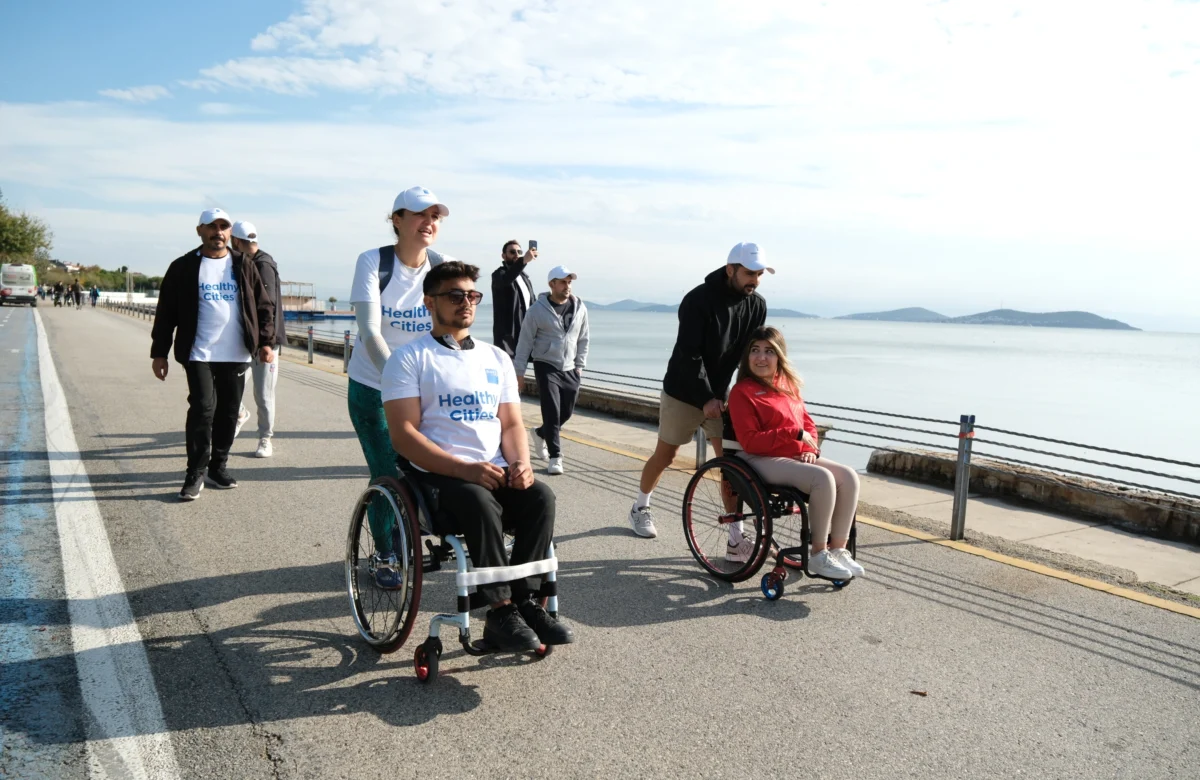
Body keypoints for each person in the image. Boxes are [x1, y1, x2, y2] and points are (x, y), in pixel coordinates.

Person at [383, 260, 574, 651]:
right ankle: (500, 609)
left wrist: (521, 463)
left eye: (472, 295)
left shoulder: (496, 359)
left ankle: (526, 601)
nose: (466, 302)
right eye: (454, 295)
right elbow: (403, 435)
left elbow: (511, 425)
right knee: (477, 498)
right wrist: (462, 468)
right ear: (429, 303)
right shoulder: (409, 358)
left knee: (541, 496)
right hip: (438, 477)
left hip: (493, 470)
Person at [627, 242, 770, 546]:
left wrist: (748, 393)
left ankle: (735, 537)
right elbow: (689, 354)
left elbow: (749, 356)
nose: (754, 280)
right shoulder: (697, 300)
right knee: (666, 456)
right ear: (730, 269)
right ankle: (640, 506)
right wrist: (706, 397)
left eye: (758, 274)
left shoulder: (757, 305)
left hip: (722, 396)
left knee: (731, 464)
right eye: (749, 273)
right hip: (683, 390)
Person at [347, 186, 451, 589]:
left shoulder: (441, 264)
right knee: (387, 471)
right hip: (374, 386)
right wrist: (397, 379)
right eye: (420, 215)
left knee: (432, 464)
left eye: (436, 217)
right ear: (397, 220)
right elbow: (370, 331)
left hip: (425, 389)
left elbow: (449, 329)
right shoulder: (373, 262)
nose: (429, 223)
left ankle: (426, 533)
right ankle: (385, 553)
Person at [150, 208, 276, 501]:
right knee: (203, 409)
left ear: (230, 233)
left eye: (224, 227)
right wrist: (160, 352)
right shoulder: (182, 267)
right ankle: (194, 473)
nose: (218, 232)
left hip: (236, 352)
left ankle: (218, 466)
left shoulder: (243, 264)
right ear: (200, 231)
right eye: (212, 226)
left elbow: (263, 305)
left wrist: (266, 342)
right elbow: (165, 312)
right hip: (198, 351)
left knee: (229, 413)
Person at [727, 327, 864, 580]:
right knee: (822, 478)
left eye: (769, 351)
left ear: (779, 356)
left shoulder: (787, 385)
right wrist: (794, 436)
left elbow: (807, 425)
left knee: (848, 476)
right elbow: (751, 441)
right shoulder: (742, 392)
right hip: (757, 459)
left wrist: (809, 449)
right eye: (755, 350)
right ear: (747, 357)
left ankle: (838, 549)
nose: (761, 357)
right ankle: (818, 554)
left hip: (792, 455)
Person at [512, 265, 589, 475]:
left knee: (566, 411)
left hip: (571, 368)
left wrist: (580, 366)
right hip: (546, 365)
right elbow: (525, 342)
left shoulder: (580, 308)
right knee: (551, 411)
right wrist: (519, 372)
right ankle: (556, 457)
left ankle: (539, 433)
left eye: (569, 282)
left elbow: (583, 339)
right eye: (563, 282)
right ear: (551, 284)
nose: (567, 286)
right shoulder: (536, 310)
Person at [231, 221, 285, 458]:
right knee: (231, 389)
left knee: (263, 394)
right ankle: (241, 413)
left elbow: (268, 308)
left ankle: (265, 438)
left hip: (264, 342)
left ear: (236, 241)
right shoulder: (241, 262)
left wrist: (267, 344)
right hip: (244, 340)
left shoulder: (263, 266)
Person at [490, 239, 538, 358]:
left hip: (526, 333)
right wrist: (524, 261)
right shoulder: (499, 275)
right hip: (508, 336)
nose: (516, 254)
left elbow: (533, 304)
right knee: (508, 370)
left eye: (519, 252)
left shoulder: (525, 278)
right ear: (504, 255)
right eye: (512, 252)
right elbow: (506, 280)